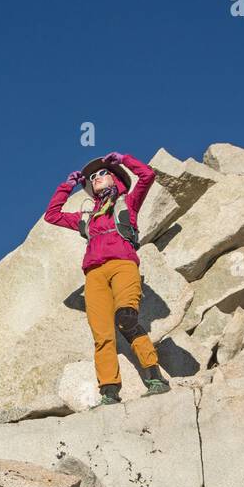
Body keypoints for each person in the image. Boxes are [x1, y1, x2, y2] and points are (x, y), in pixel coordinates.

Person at [44, 151, 170, 405]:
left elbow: (148, 175)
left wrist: (123, 159)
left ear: (115, 179)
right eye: (92, 177)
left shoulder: (128, 202)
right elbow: (52, 215)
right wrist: (67, 186)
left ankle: (156, 378)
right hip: (94, 276)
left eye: (103, 173)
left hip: (123, 265)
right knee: (102, 335)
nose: (96, 177)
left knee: (126, 318)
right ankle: (109, 392)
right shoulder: (86, 217)